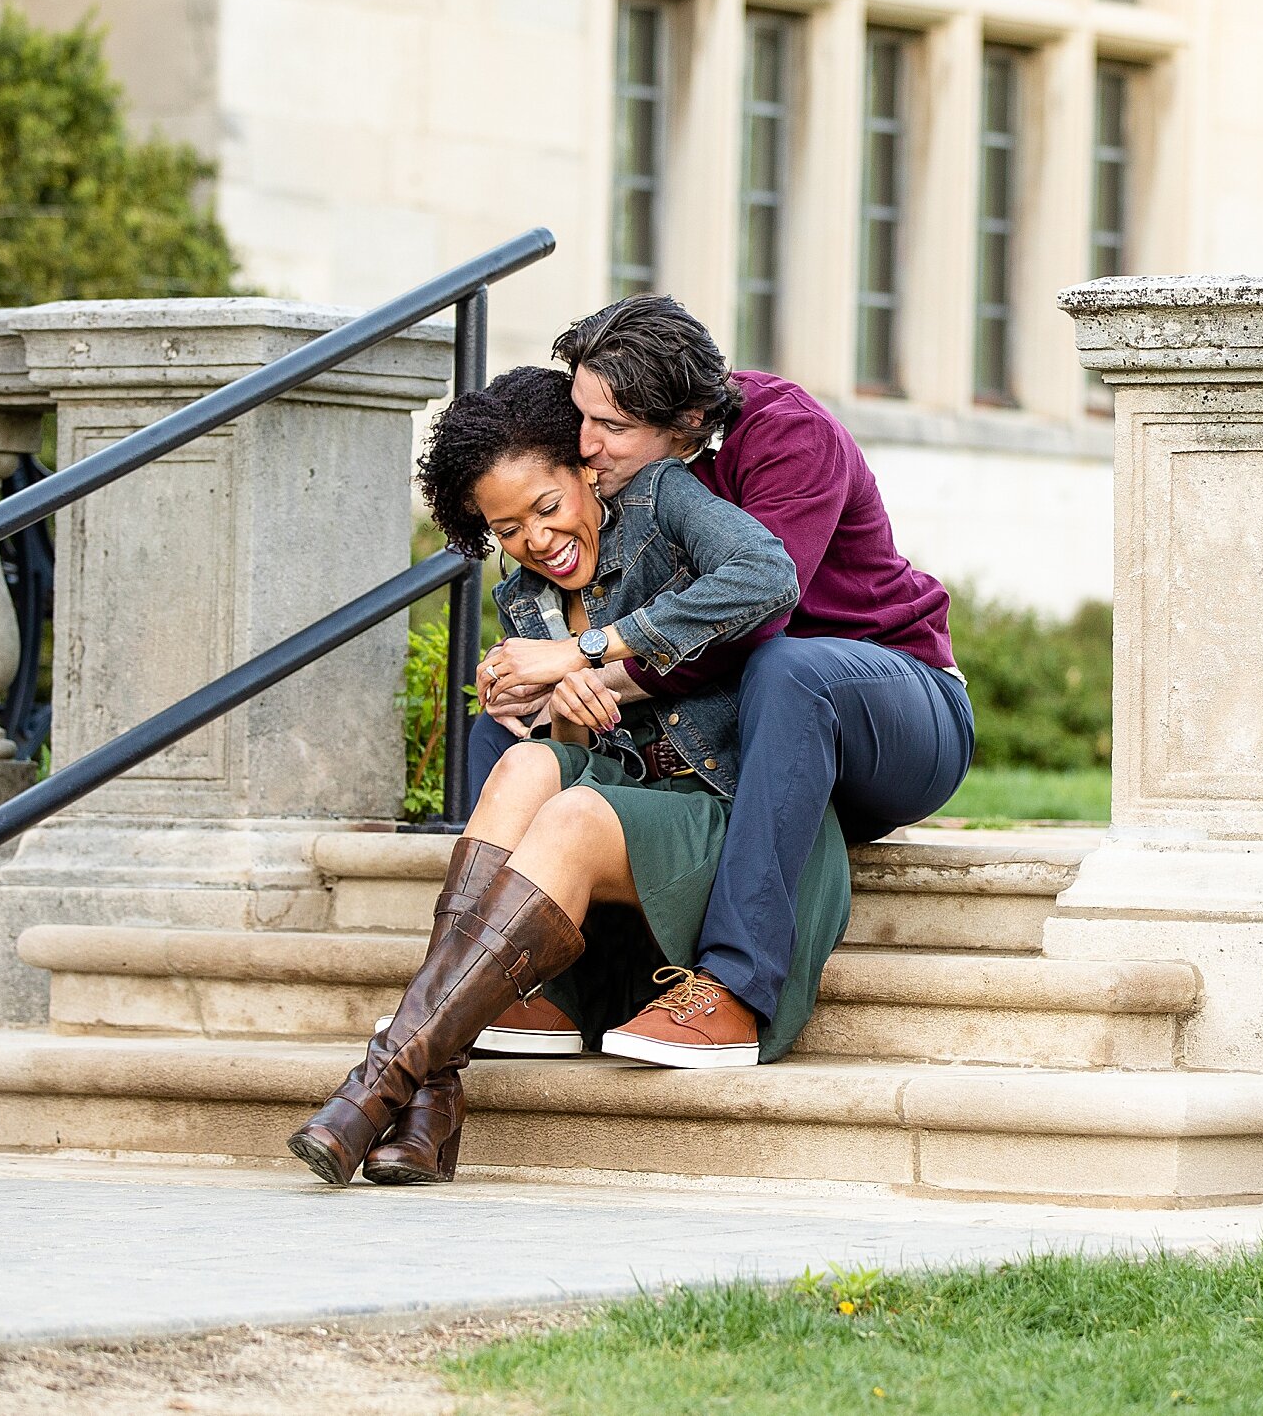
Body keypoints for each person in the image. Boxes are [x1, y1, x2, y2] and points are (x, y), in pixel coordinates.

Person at [288, 366, 849, 1188]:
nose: (537, 540)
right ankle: (426, 1084)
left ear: (587, 470)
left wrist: (596, 655)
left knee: (576, 812)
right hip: (629, 828)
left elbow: (763, 580)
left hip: (731, 809)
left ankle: (386, 1080)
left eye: (547, 508)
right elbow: (574, 752)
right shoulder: (524, 600)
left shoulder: (665, 505)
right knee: (522, 763)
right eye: (508, 528)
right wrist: (559, 711)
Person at [469, 295, 972, 1065]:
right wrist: (538, 691)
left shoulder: (787, 434)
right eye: (582, 415)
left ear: (690, 414)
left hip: (898, 710)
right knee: (509, 729)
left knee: (789, 666)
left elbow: (751, 623)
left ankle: (738, 988)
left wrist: (583, 655)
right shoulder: (639, 474)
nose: (587, 445)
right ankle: (525, 982)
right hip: (763, 735)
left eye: (611, 427)